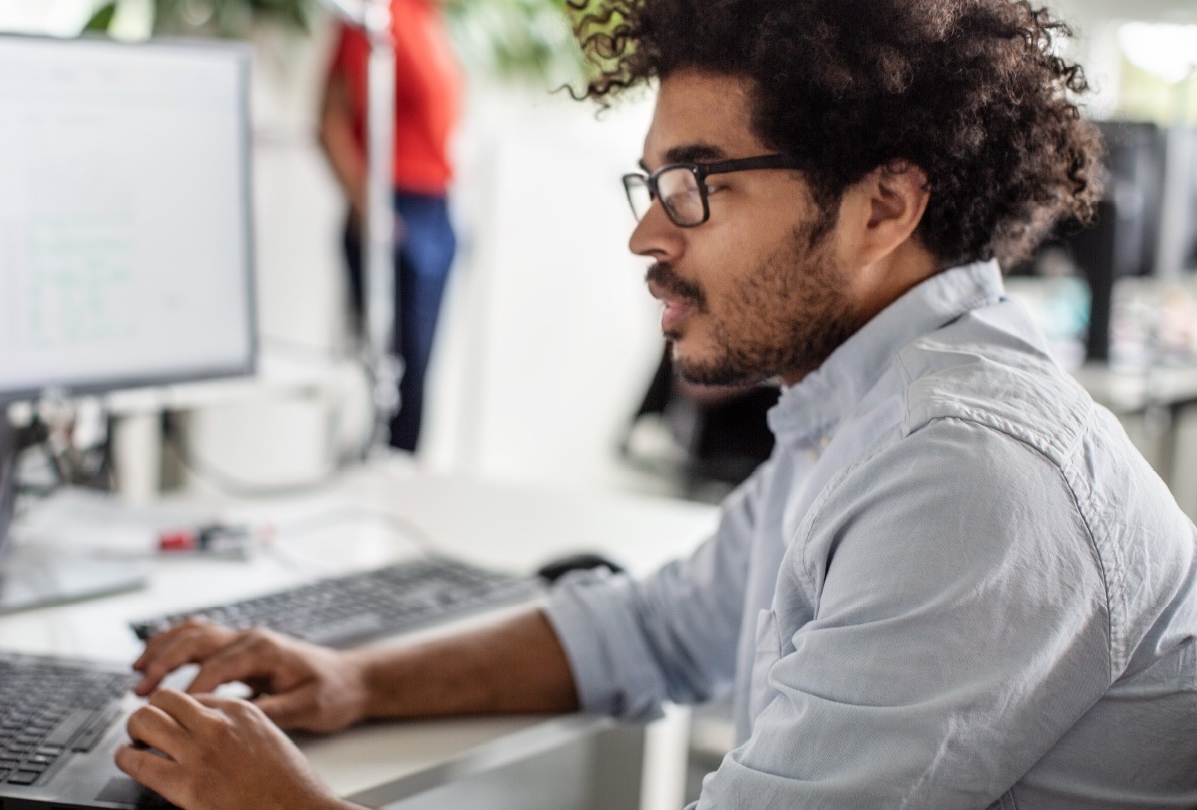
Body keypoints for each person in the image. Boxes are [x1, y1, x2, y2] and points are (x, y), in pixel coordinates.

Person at [113, 0, 1197, 807]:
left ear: (885, 207)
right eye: (651, 184)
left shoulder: (967, 475)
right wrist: (352, 681)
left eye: (697, 184)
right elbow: (657, 628)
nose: (647, 234)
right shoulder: (861, 407)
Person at [319, 0, 463, 453]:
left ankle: (402, 488)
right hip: (396, 211)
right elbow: (329, 123)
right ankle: (379, 487)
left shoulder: (430, 18)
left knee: (418, 379)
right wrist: (376, 214)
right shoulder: (374, 14)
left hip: (437, 210)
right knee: (394, 379)